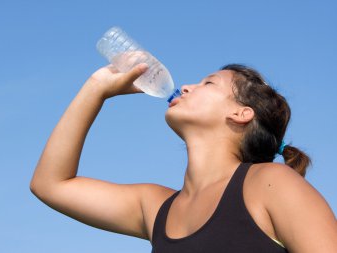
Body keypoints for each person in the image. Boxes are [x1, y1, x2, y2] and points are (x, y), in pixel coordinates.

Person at [30, 63, 337, 252]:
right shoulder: (155, 208)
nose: (187, 86)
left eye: (208, 83)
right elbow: (50, 184)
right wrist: (96, 88)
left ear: (241, 114)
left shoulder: (270, 183)